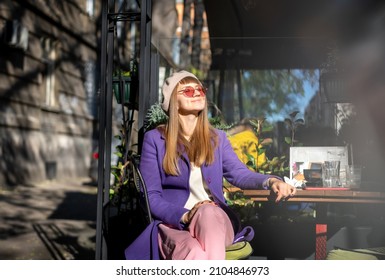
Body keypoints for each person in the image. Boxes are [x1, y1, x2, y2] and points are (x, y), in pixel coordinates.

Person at [124, 70, 296, 260]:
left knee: (207, 211)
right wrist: (184, 216)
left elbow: (239, 173)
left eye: (200, 89)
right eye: (188, 91)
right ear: (173, 100)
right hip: (175, 224)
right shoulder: (155, 139)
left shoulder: (217, 138)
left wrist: (271, 181)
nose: (197, 93)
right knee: (194, 253)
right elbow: (150, 197)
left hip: (215, 221)